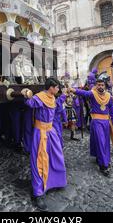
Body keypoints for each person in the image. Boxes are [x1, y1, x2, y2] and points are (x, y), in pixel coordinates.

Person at [24, 78, 67, 212]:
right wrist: (27, 94)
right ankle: (38, 193)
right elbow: (29, 103)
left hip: (51, 131)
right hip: (40, 133)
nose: (58, 89)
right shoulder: (40, 97)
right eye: (57, 87)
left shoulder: (52, 97)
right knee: (39, 161)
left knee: (56, 156)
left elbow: (56, 106)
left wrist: (64, 96)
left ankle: (55, 181)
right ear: (51, 87)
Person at [71, 77, 113, 177]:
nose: (100, 86)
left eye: (102, 85)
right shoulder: (92, 93)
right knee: (100, 141)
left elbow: (112, 109)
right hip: (96, 122)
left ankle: (101, 157)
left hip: (106, 122)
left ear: (105, 86)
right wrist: (73, 90)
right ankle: (103, 165)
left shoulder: (109, 96)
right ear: (96, 86)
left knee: (105, 142)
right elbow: (83, 93)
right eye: (98, 85)